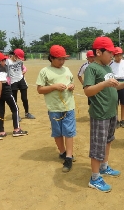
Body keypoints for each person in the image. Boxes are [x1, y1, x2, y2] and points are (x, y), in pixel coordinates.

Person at [83, 36, 124, 192]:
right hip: (100, 113)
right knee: (97, 146)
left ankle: (104, 167)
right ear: (99, 52)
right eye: (110, 53)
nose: (113, 56)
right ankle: (94, 178)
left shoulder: (107, 68)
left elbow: (114, 86)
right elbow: (87, 90)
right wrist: (105, 83)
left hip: (110, 112)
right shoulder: (92, 68)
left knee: (108, 141)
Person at [36, 45, 76, 173]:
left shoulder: (67, 70)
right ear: (51, 58)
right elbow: (40, 89)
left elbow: (72, 82)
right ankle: (62, 152)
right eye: (59, 59)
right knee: (58, 132)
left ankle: (69, 157)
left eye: (64, 59)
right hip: (54, 107)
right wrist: (54, 86)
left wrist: (71, 86)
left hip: (69, 106)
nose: (62, 61)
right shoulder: (44, 71)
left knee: (69, 132)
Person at [6, 48, 35, 121]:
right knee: (14, 100)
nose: (19, 59)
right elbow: (5, 72)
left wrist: (24, 71)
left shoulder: (20, 61)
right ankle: (16, 115)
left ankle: (27, 113)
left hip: (21, 80)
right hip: (13, 82)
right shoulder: (7, 62)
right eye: (18, 57)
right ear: (14, 55)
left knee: (24, 98)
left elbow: (23, 68)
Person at [109, 47, 124, 128]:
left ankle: (122, 119)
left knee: (123, 103)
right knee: (115, 103)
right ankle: (116, 120)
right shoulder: (111, 64)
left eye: (120, 55)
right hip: (115, 83)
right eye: (117, 55)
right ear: (114, 56)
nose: (119, 57)